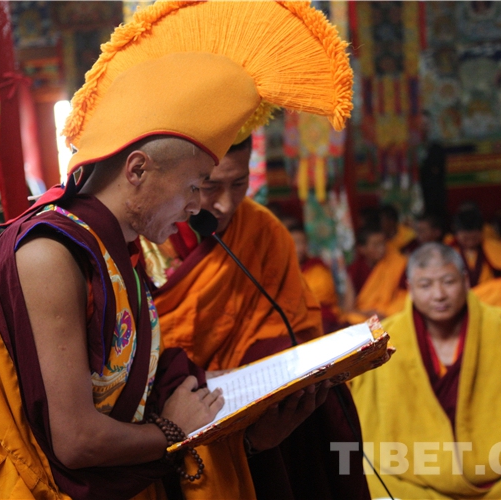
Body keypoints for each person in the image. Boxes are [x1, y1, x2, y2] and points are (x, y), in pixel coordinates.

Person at [0, 2, 356, 498]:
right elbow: (77, 442)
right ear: (138, 169)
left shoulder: (115, 252)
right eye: (194, 185)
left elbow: (128, 388)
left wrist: (238, 404)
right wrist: (174, 432)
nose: (197, 207)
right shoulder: (50, 254)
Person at [141, 137, 370, 500]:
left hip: (254, 387)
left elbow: (295, 325)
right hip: (181, 393)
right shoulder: (151, 235)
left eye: (239, 183)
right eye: (210, 186)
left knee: (320, 400)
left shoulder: (261, 229)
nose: (225, 203)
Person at [349, 243, 501, 499]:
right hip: (417, 479)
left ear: (465, 281)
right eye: (425, 285)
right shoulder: (384, 342)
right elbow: (370, 418)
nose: (439, 295)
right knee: (374, 484)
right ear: (410, 289)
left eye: (448, 282)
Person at [450, 208, 501, 312]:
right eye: (466, 238)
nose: (470, 242)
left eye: (474, 238)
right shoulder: (449, 251)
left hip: (488, 299)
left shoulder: (492, 247)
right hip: (459, 300)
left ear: (482, 232)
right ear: (456, 234)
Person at [288, 221, 348, 332]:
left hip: (322, 315)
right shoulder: (283, 271)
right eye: (295, 243)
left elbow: (324, 294)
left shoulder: (317, 267)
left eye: (303, 243)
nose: (299, 248)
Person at [346, 224, 408, 323]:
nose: (382, 248)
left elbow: (405, 295)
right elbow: (349, 308)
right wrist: (368, 314)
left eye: (383, 243)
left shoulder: (397, 262)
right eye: (376, 245)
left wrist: (387, 312)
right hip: (366, 315)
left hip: (390, 311)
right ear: (362, 249)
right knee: (352, 318)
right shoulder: (354, 269)